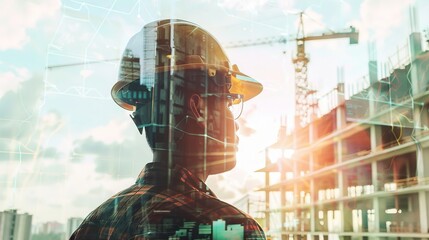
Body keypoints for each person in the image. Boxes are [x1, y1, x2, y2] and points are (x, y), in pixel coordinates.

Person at [70, 19, 265, 240]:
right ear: (197, 107)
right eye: (229, 102)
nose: (236, 122)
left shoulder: (95, 222)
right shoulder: (227, 227)